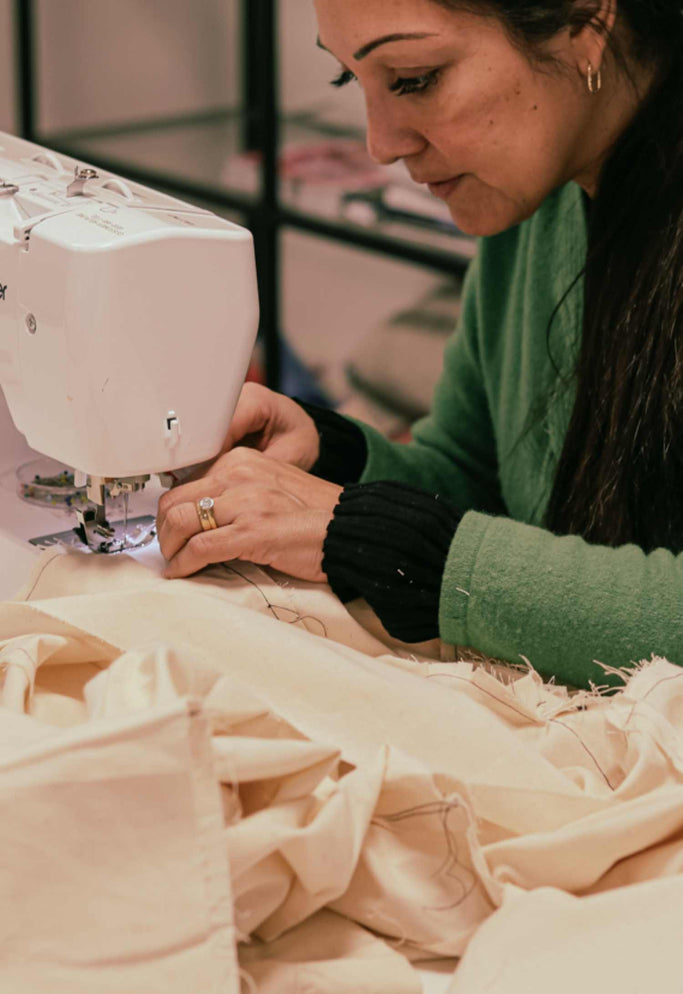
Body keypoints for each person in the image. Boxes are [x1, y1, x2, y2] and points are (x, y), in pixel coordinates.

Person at [157, 0, 683, 689]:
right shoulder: (540, 200)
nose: (381, 143)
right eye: (354, 81)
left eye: (412, 78)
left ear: (586, 20)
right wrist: (334, 459)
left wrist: (398, 548)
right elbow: (478, 480)